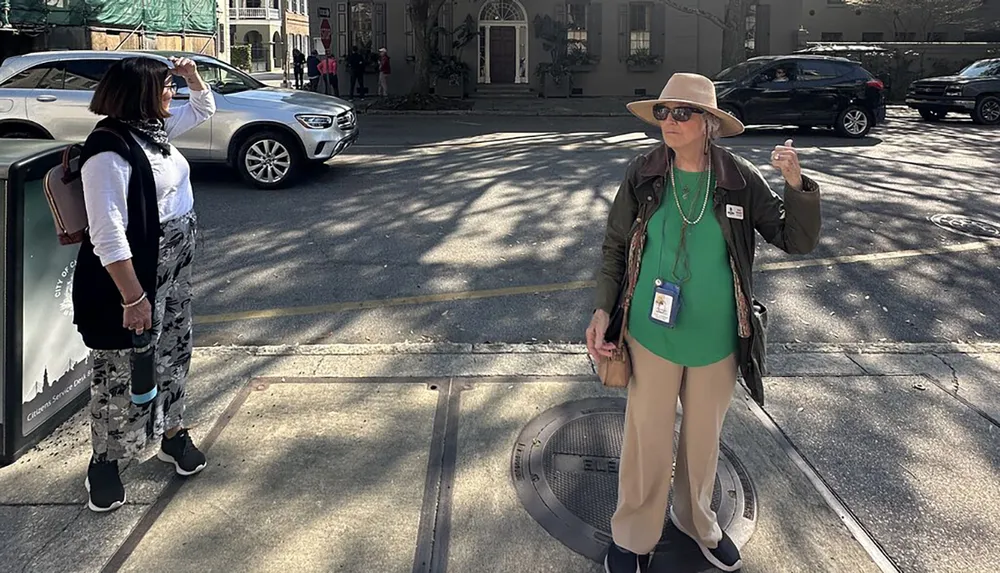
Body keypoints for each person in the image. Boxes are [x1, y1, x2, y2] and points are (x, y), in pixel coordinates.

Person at [586, 73, 821, 572]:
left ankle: (696, 522)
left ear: (709, 123)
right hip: (651, 335)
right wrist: (604, 309)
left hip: (716, 339)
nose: (669, 121)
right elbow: (614, 247)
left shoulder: (737, 178)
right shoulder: (644, 174)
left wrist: (797, 185)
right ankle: (632, 537)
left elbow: (794, 239)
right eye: (664, 113)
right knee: (646, 442)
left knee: (701, 444)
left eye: (682, 113)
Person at [75, 56, 216, 513]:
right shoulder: (108, 151)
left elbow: (203, 108)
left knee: (174, 351)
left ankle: (171, 434)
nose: (172, 93)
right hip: (133, 278)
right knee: (119, 370)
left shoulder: (152, 132)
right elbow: (108, 234)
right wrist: (133, 297)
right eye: (165, 87)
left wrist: (192, 77)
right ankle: (105, 462)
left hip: (174, 270)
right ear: (140, 95)